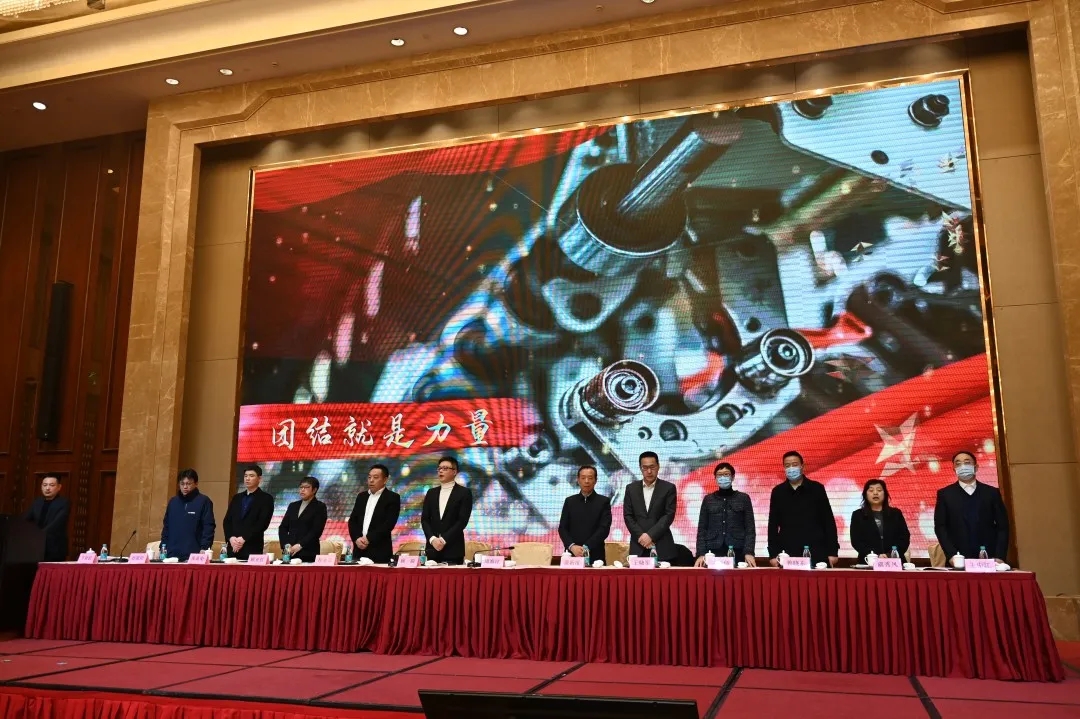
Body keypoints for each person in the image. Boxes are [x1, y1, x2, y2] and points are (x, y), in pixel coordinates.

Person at [934, 450, 1009, 562]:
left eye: (967, 462)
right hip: (958, 558)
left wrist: (1000, 556)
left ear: (976, 467)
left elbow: (1003, 526)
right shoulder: (945, 494)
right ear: (954, 469)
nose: (962, 466)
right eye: (958, 464)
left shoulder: (991, 493)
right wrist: (952, 555)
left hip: (989, 557)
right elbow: (940, 527)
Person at [767, 451, 839, 567]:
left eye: (795, 464)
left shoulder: (817, 489)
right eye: (787, 465)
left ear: (802, 466)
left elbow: (828, 521)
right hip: (787, 552)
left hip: (816, 550)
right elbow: (773, 525)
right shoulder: (778, 492)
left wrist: (833, 551)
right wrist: (772, 554)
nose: (791, 468)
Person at [694, 462, 756, 567]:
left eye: (726, 474)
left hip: (738, 550)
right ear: (715, 478)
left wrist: (749, 552)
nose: (723, 477)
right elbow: (702, 529)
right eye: (719, 475)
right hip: (712, 551)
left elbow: (750, 528)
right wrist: (701, 553)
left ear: (733, 477)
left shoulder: (743, 498)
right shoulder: (708, 499)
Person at [623, 451, 678, 562]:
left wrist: (650, 535)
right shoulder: (631, 488)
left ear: (658, 466)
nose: (649, 471)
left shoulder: (668, 488)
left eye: (652, 467)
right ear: (640, 468)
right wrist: (641, 536)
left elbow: (668, 515)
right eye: (645, 468)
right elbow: (628, 516)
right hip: (638, 546)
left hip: (662, 546)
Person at [420, 456, 473, 564]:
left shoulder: (464, 493)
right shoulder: (431, 493)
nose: (441, 471)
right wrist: (432, 539)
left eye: (445, 468)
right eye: (439, 468)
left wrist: (443, 540)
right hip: (432, 549)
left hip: (453, 549)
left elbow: (462, 521)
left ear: (454, 472)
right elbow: (425, 519)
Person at [347, 463, 402, 564]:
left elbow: (389, 524)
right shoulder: (361, 497)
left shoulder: (392, 497)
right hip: (359, 550)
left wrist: (368, 539)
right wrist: (357, 539)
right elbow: (352, 521)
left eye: (375, 477)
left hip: (379, 551)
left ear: (385, 480)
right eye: (369, 477)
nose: (371, 480)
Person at [558, 465, 612, 565]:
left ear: (595, 480)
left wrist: (586, 547)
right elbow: (562, 528)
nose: (586, 481)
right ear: (578, 480)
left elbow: (604, 529)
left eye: (590, 478)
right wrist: (572, 546)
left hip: (595, 555)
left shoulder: (603, 501)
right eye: (583, 478)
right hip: (572, 554)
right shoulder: (570, 501)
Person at [849, 478, 910, 560]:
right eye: (871, 490)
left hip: (894, 560)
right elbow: (856, 541)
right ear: (865, 495)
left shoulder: (896, 514)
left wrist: (890, 554)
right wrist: (875, 555)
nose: (875, 493)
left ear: (885, 494)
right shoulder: (858, 515)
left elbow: (904, 538)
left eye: (879, 490)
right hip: (868, 561)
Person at [161, 468, 216, 561]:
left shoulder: (204, 501)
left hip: (195, 554)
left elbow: (208, 527)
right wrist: (163, 547)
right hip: (172, 553)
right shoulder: (173, 502)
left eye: (188, 484)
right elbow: (166, 527)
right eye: (182, 484)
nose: (185, 487)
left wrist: (204, 548)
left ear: (196, 483)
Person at [222, 464, 274, 560]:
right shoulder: (237, 498)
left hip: (252, 547)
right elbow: (227, 521)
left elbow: (262, 523)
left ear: (259, 479)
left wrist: (244, 538)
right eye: (246, 476)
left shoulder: (266, 498)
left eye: (251, 476)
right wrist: (231, 538)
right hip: (233, 548)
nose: (247, 479)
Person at [278, 477, 328, 563]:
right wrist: (286, 545)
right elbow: (283, 527)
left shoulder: (320, 507)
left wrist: (300, 545)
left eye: (306, 487)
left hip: (308, 553)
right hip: (290, 552)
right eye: (301, 487)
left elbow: (316, 530)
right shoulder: (293, 506)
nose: (302, 490)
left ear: (314, 490)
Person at [24, 474, 70, 562]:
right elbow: (26, 519)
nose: (47, 488)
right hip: (36, 546)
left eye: (51, 485)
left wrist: (39, 534)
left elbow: (57, 523)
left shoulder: (64, 503)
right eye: (45, 485)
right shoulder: (37, 502)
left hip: (54, 547)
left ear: (59, 487)